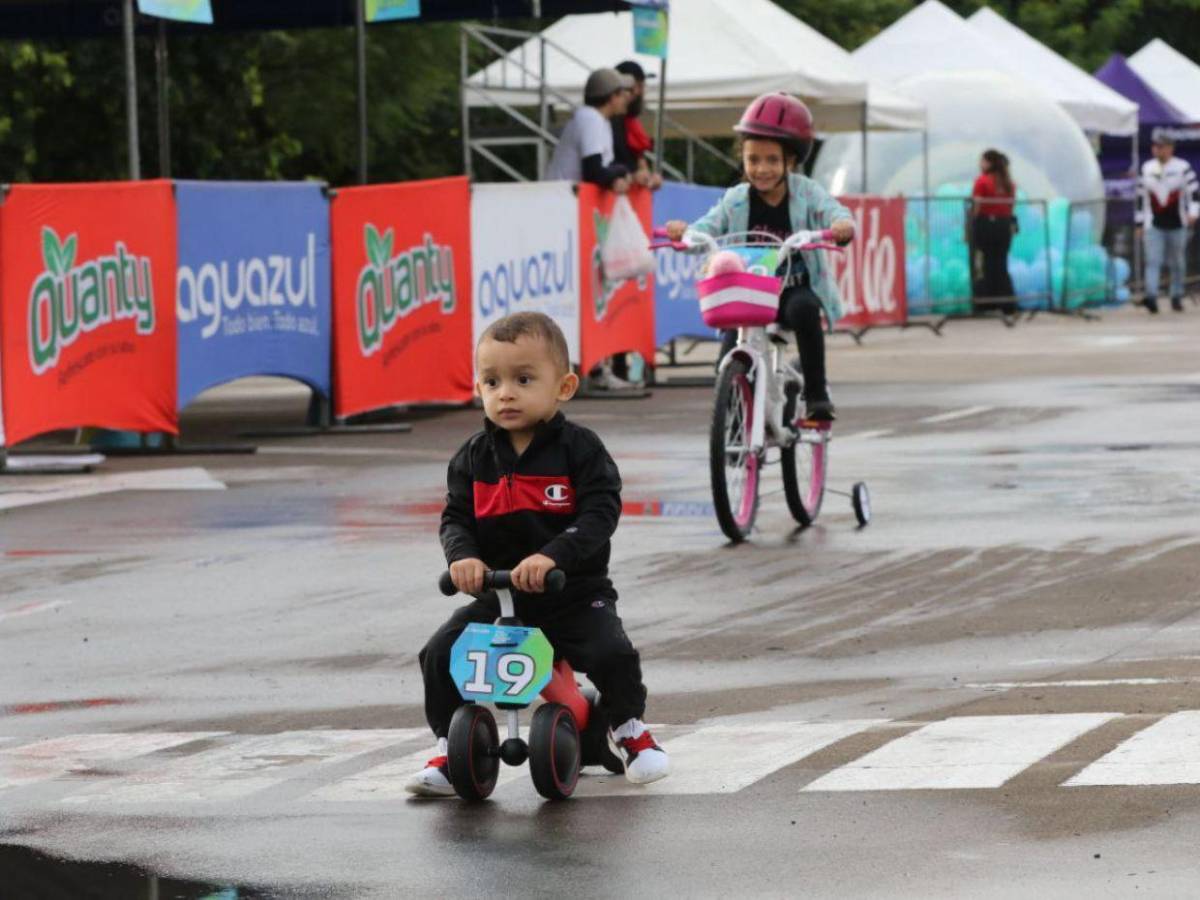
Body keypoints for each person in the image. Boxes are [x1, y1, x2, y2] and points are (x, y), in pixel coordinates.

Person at [406, 312, 670, 797]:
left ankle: (629, 730)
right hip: (502, 598)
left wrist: (553, 557)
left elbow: (599, 512)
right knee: (441, 652)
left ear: (564, 387)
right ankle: (450, 746)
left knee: (611, 651)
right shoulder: (473, 458)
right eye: (492, 380)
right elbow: (456, 518)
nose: (505, 393)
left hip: (572, 590)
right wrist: (462, 559)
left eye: (523, 379)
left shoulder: (579, 450)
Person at [664, 92, 854, 421]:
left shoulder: (807, 192)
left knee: (806, 309)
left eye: (771, 160)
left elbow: (834, 212)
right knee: (727, 349)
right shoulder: (736, 199)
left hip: (791, 291)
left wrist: (841, 225)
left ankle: (817, 394)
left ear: (790, 162)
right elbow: (707, 227)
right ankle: (733, 409)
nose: (761, 169)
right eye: (753, 160)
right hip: (749, 292)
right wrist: (686, 233)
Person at [546, 67, 635, 192]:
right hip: (561, 200)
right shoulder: (590, 118)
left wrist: (622, 175)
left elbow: (604, 169)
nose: (626, 97)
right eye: (621, 93)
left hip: (569, 199)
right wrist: (622, 171)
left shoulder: (601, 120)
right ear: (611, 98)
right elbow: (593, 173)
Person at [1138, 133, 1199, 314]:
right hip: (1154, 223)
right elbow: (1140, 197)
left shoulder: (1182, 167)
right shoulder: (1147, 168)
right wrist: (1139, 223)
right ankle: (1151, 297)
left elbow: (1194, 192)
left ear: (1170, 148)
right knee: (1153, 261)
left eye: (1162, 146)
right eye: (1155, 146)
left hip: (1177, 223)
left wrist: (1193, 212)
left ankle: (1176, 295)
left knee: (1177, 262)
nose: (1158, 149)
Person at [970, 149, 1017, 314]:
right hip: (1004, 227)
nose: (979, 164)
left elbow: (977, 206)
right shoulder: (1009, 183)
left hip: (986, 225)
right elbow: (1011, 206)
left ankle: (987, 302)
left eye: (982, 161)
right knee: (1001, 264)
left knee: (987, 264)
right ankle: (1006, 302)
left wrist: (971, 224)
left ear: (989, 163)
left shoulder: (982, 182)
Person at [612, 60, 664, 192]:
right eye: (633, 88)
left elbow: (640, 163)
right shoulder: (605, 122)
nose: (638, 93)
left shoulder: (631, 123)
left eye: (641, 87)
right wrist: (633, 176)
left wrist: (649, 178)